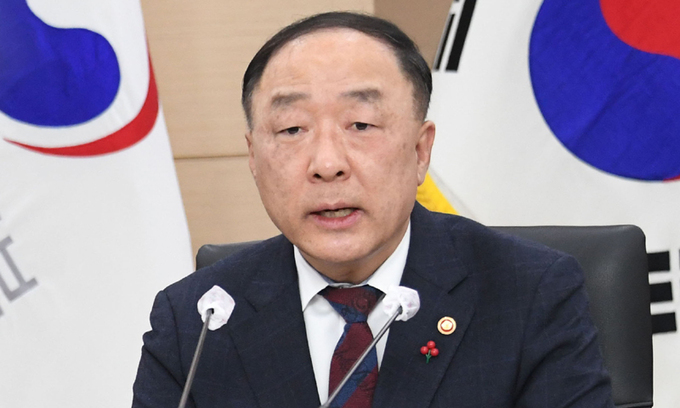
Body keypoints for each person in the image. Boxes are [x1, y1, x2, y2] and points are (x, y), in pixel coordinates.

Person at [132, 11, 614, 408]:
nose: (327, 164)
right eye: (292, 129)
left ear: (421, 151)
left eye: (361, 124)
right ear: (254, 158)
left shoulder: (528, 295)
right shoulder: (195, 324)